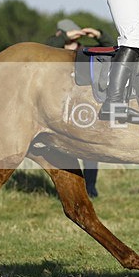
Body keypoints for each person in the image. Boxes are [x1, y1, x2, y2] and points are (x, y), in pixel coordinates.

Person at [45, 18, 114, 197]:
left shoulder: (84, 51)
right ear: (61, 34)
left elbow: (112, 47)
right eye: (70, 34)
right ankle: (67, 190)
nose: (75, 37)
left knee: (90, 150)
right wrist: (64, 38)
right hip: (58, 107)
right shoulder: (54, 51)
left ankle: (90, 188)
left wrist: (98, 34)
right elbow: (45, 47)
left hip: (83, 106)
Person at [45, 18, 116, 51]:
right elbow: (47, 48)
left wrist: (99, 35)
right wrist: (65, 36)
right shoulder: (56, 50)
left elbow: (112, 49)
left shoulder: (84, 51)